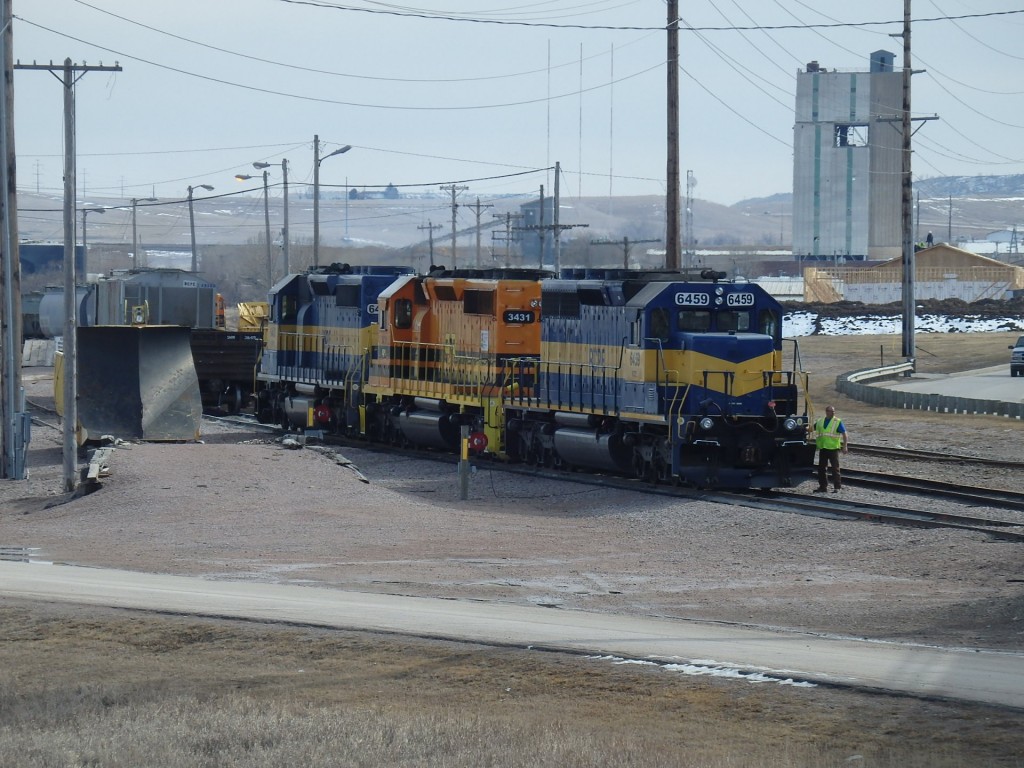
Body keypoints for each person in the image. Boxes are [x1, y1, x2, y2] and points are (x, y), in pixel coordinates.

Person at [813, 405, 848, 493]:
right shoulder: (820, 421)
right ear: (826, 412)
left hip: (833, 449)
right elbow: (812, 428)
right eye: (830, 411)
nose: (832, 413)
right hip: (823, 448)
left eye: (833, 411)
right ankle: (823, 487)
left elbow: (844, 434)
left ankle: (837, 487)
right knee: (821, 469)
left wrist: (845, 446)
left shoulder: (837, 421)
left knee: (835, 469)